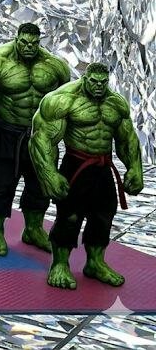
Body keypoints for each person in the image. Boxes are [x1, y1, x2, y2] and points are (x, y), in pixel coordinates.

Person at [0, 22, 71, 256]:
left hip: (41, 136)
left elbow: (68, 105)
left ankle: (34, 229)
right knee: (1, 183)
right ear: (16, 39)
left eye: (34, 44)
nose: (28, 47)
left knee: (40, 185)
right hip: (7, 133)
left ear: (40, 42)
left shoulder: (55, 67)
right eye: (24, 42)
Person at [29, 63, 144, 289]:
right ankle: (60, 265)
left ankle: (95, 263)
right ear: (85, 79)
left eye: (103, 82)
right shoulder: (63, 99)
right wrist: (49, 174)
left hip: (103, 167)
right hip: (76, 165)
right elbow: (42, 138)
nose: (99, 86)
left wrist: (134, 168)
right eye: (94, 82)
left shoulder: (116, 103)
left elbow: (127, 138)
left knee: (104, 214)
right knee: (69, 216)